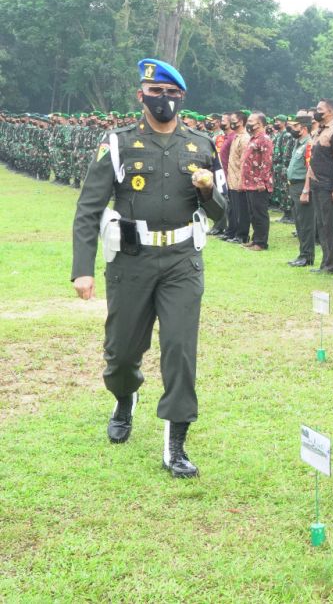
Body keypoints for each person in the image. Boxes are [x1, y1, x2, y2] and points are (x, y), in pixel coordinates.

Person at [71, 58, 226, 478]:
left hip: (182, 262)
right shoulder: (118, 143)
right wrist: (82, 268)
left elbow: (223, 214)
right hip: (131, 261)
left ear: (182, 99)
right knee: (122, 352)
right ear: (141, 96)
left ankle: (176, 444)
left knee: (179, 350)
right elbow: (89, 208)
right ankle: (125, 398)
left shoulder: (202, 146)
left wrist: (209, 191)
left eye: (172, 93)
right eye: (155, 93)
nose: (164, 100)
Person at [310, 99, 333, 274]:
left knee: (330, 226)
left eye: (320, 110)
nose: (317, 112)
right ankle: (325, 263)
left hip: (328, 186)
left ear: (330, 112)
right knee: (321, 226)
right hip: (317, 184)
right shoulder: (319, 131)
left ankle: (332, 265)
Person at [241, 112, 274, 251]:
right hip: (249, 183)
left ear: (260, 124)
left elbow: (266, 162)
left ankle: (261, 242)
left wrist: (262, 181)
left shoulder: (264, 139)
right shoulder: (253, 139)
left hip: (259, 184)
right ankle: (255, 239)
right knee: (253, 213)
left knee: (260, 213)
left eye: (250, 120)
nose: (248, 123)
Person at [286, 112, 315, 267]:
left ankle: (307, 256)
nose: (292, 129)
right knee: (299, 223)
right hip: (294, 186)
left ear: (303, 128)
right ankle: (302, 254)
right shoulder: (299, 143)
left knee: (306, 224)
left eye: (295, 126)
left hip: (302, 186)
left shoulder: (309, 144)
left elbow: (310, 169)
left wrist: (306, 190)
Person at [223, 110, 250, 243]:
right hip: (232, 180)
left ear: (240, 122)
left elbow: (244, 163)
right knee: (234, 209)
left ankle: (242, 235)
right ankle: (233, 232)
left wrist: (241, 181)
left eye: (233, 120)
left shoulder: (245, 138)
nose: (230, 122)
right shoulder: (236, 137)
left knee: (242, 211)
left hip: (240, 181)